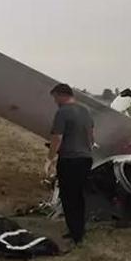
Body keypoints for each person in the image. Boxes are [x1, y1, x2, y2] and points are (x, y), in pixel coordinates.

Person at [47, 83, 94, 245]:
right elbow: (90, 135)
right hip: (86, 158)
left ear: (61, 95)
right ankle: (79, 229)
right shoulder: (85, 110)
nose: (55, 101)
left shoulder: (62, 112)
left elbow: (57, 138)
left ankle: (75, 234)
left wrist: (50, 158)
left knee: (68, 196)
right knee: (79, 196)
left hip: (69, 159)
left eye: (55, 97)